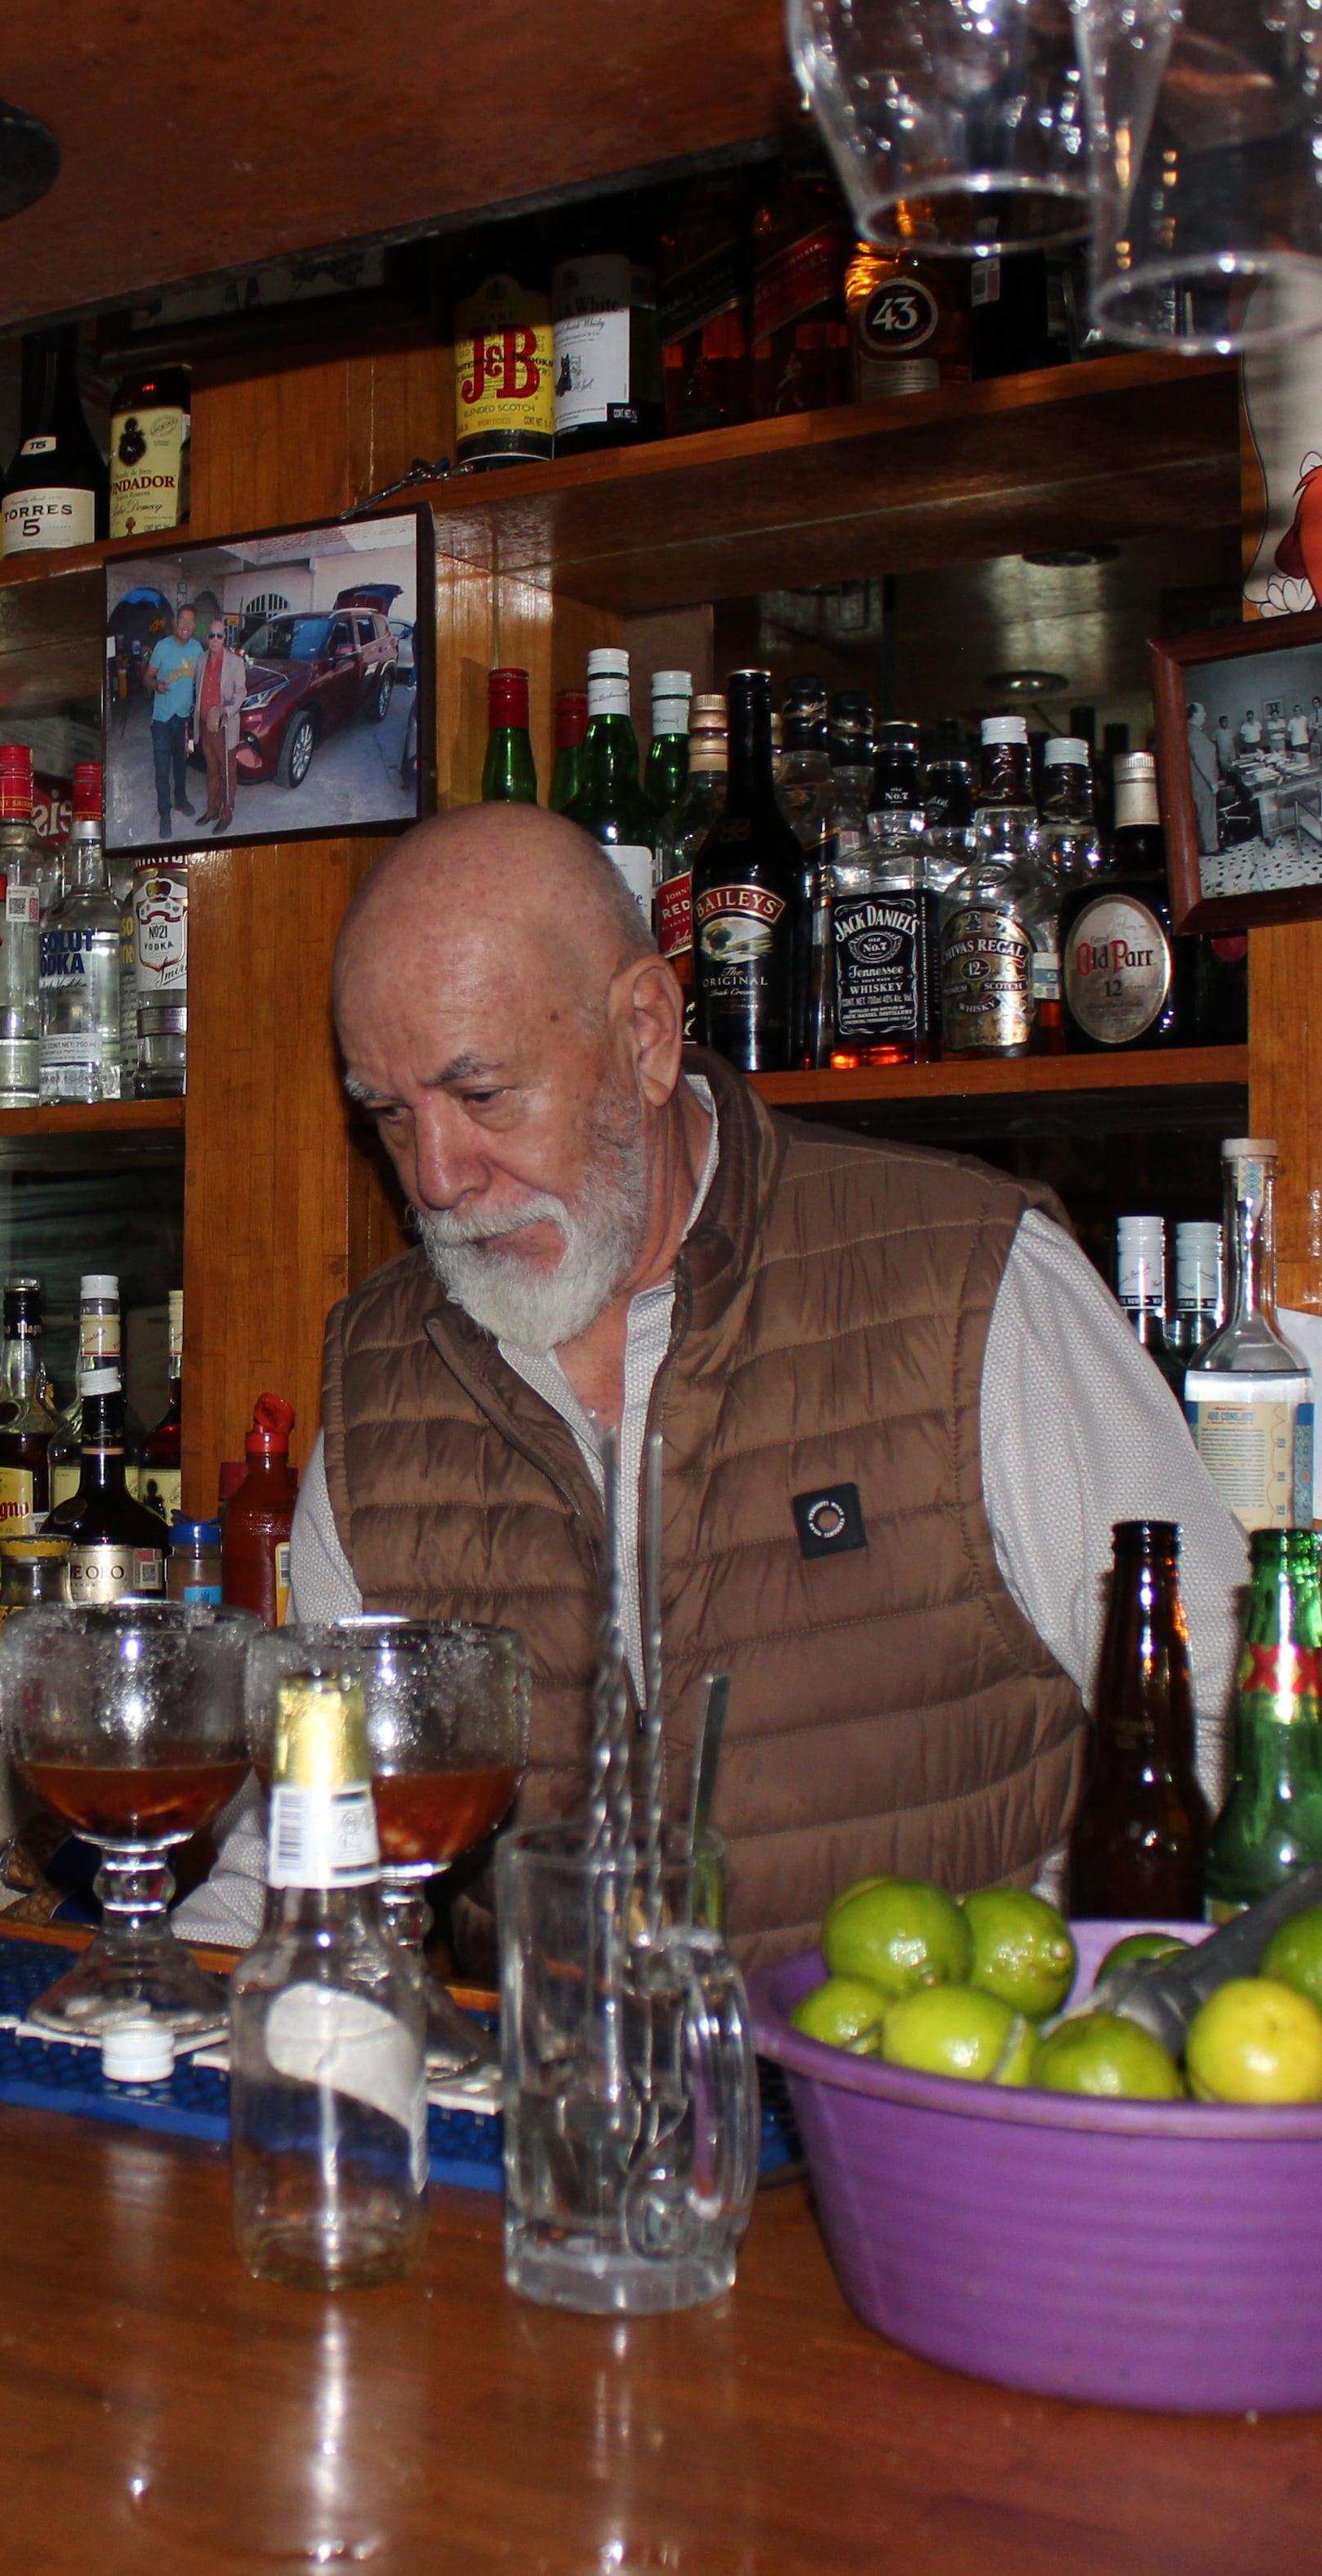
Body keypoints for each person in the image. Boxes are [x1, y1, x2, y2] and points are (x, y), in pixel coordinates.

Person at [172, 806, 1246, 1961]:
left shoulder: (965, 1279)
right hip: (550, 2109)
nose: (437, 1179)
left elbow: (1237, 1723)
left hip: (935, 2107)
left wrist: (1023, 1999)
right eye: (389, 1114)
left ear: (645, 1033)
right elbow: (304, 1855)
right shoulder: (387, 1373)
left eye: (483, 1097)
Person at [146, 601, 204, 836]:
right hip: (161, 719)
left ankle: (181, 800)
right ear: (175, 623)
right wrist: (155, 685)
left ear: (194, 625)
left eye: (191, 621)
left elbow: (202, 680)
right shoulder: (162, 647)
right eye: (183, 620)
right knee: (162, 768)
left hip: (183, 719)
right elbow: (147, 678)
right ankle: (164, 813)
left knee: (181, 764)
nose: (187, 625)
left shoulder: (197, 650)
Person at [197, 611, 251, 830]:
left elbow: (241, 693)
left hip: (224, 727)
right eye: (212, 636)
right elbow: (198, 691)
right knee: (211, 770)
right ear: (208, 637)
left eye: (219, 636)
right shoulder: (201, 660)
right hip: (204, 726)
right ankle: (212, 810)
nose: (215, 640)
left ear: (225, 638)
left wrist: (225, 710)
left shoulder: (235, 662)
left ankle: (227, 813)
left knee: (227, 772)